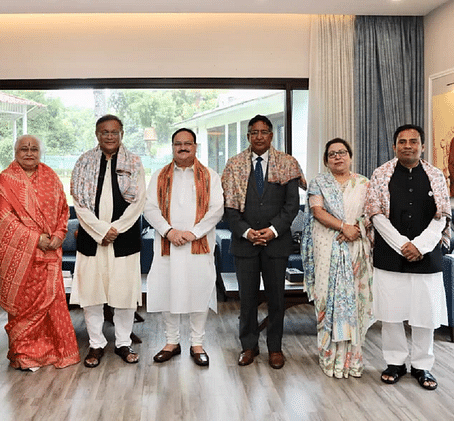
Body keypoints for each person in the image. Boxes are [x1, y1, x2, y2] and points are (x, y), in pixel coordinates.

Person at [365, 124, 450, 391]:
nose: (408, 146)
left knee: (425, 314)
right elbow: (375, 215)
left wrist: (421, 246)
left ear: (422, 146)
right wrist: (403, 245)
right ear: (394, 146)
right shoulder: (381, 175)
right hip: (390, 255)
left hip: (428, 255)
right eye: (402, 141)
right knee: (391, 313)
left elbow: (442, 216)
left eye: (413, 141)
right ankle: (395, 363)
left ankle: (423, 366)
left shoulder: (436, 176)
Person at [221, 114, 305, 370]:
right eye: (254, 132)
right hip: (244, 243)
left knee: (276, 299)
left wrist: (272, 230)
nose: (259, 136)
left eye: (264, 132)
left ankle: (275, 348)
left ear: (271, 135)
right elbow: (229, 208)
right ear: (248, 137)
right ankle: (248, 346)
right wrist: (247, 232)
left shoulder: (287, 164)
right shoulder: (234, 166)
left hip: (276, 243)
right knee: (246, 299)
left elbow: (292, 206)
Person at [0, 135, 80, 370]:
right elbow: (4, 219)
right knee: (25, 305)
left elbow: (63, 209)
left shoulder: (50, 176)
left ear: (40, 152)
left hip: (51, 252)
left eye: (34, 149)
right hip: (23, 256)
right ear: (15, 151)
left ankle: (56, 351)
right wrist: (35, 239)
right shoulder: (5, 180)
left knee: (53, 304)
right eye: (24, 149)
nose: (29, 153)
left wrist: (60, 234)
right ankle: (26, 354)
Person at [70, 114, 146, 367]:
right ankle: (96, 344)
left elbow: (138, 202)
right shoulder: (84, 162)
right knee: (92, 295)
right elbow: (78, 203)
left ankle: (123, 343)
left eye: (114, 132)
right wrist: (100, 230)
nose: (110, 136)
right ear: (97, 134)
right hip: (93, 239)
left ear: (122, 134)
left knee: (124, 294)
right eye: (104, 132)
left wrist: (116, 229)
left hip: (123, 239)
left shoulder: (134, 162)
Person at [144, 128, 224, 367]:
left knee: (199, 291)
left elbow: (217, 209)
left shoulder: (211, 176)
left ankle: (197, 343)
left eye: (187, 143)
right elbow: (149, 208)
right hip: (168, 244)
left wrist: (193, 233)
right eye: (178, 143)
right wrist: (170, 232)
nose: (183, 147)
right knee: (168, 292)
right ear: (172, 147)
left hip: (198, 245)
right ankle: (171, 342)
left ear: (196, 146)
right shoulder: (159, 176)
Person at [300, 138, 374, 378]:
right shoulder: (318, 182)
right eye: (332, 154)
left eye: (342, 152)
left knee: (356, 301)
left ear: (350, 156)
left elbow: (372, 214)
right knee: (325, 298)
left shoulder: (364, 183)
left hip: (356, 248)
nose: (338, 157)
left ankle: (353, 361)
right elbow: (317, 211)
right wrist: (344, 227)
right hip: (326, 246)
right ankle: (330, 358)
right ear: (326, 160)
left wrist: (356, 229)